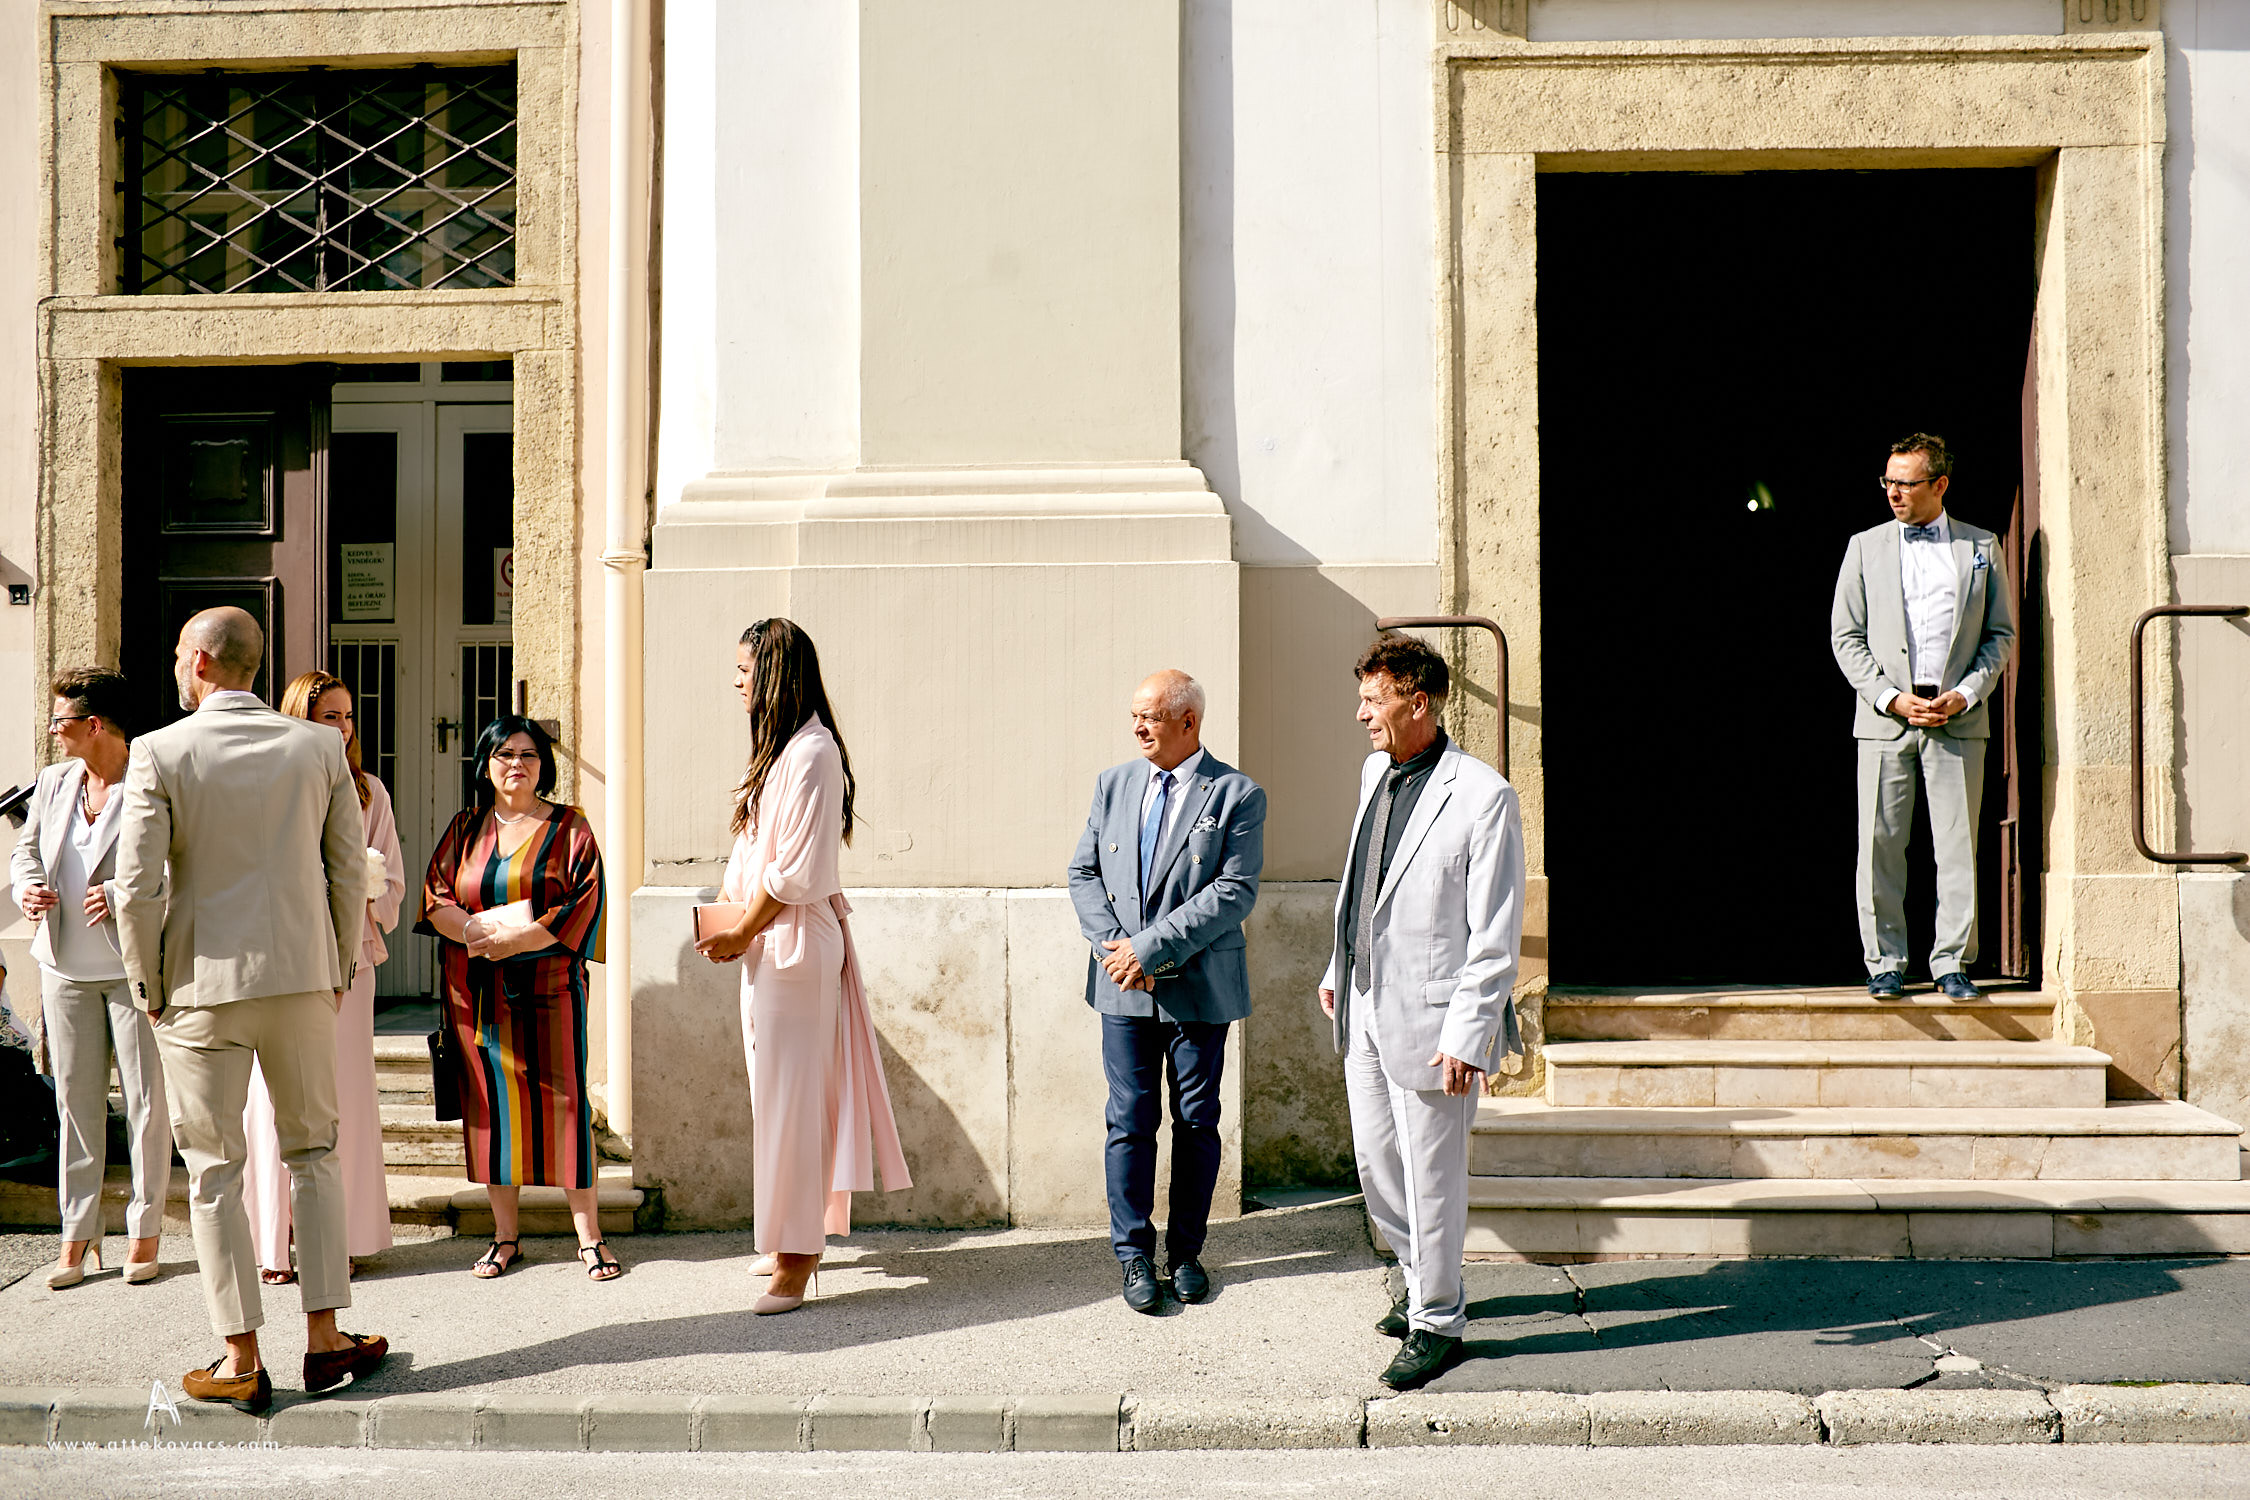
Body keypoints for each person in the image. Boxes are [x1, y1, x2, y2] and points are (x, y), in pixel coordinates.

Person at [113, 607, 389, 1414]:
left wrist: (147, 983)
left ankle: (241, 1355)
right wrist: (337, 964)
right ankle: (326, 1337)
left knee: (214, 1172)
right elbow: (348, 870)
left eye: (178, 654)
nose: (176, 665)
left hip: (199, 983)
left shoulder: (160, 750)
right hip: (300, 977)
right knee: (315, 1155)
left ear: (200, 662)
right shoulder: (318, 747)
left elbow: (136, 887)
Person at [1320, 633, 1523, 1392]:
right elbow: (1363, 884)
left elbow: (1495, 934)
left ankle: (1438, 1321)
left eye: (1374, 700)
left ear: (1420, 701)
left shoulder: (1483, 796)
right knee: (1378, 1165)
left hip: (1437, 1024)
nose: (1361, 714)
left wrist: (1470, 1032)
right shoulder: (1375, 772)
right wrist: (1338, 967)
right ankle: (1418, 1282)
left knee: (1432, 1178)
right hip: (1366, 1003)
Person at [695, 618, 910, 1315]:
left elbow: (793, 871)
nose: (736, 681)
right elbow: (751, 855)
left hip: (795, 942)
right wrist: (726, 918)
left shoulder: (814, 752)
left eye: (744, 669)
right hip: (767, 942)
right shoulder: (779, 752)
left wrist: (742, 928)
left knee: (793, 1101)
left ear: (775, 674)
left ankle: (799, 1255)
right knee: (776, 1099)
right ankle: (788, 1232)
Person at [1066, 669, 1265, 1315]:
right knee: (1129, 1119)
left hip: (1199, 985)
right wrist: (1119, 952)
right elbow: (1084, 872)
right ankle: (1132, 1256)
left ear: (1188, 721)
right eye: (1134, 716)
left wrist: (1150, 949)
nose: (1138, 727)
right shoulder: (1114, 784)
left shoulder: (1236, 793)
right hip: (1122, 984)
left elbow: (1234, 891)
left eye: (1149, 716)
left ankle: (1185, 1254)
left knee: (1197, 1119)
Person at [417, 715, 613, 1281]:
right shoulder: (464, 828)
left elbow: (585, 900)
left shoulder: (570, 827)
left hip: (549, 989)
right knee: (491, 1108)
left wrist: (516, 940)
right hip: (476, 995)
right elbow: (436, 896)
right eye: (504, 754)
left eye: (528, 754)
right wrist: (475, 933)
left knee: (565, 1104)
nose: (516, 765)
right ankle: (505, 1237)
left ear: (543, 765)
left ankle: (590, 1238)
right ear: (486, 765)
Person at [1830, 433, 2016, 1000]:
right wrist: (1888, 697)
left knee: (1956, 847)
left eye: (1906, 483)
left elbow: (2000, 634)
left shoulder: (1982, 546)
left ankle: (1952, 962)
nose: (1893, 493)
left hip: (1957, 719)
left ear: (1940, 484)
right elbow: (1846, 636)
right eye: (1887, 481)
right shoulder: (1864, 546)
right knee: (1880, 845)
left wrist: (1968, 693)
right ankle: (1884, 962)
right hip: (1885, 721)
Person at [11, 669, 171, 1289]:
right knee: (75, 1105)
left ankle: (144, 1230)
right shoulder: (54, 782)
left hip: (132, 969)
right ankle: (78, 1235)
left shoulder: (152, 779)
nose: (54, 731)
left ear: (94, 725)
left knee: (145, 1104)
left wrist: (123, 893)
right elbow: (26, 851)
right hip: (63, 967)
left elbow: (180, 866)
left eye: (61, 721)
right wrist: (27, 889)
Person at [240, 672, 403, 1283]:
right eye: (329, 716)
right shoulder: (266, 783)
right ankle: (274, 1240)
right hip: (279, 957)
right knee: (270, 1098)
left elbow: (390, 879)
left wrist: (361, 884)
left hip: (348, 958)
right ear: (299, 720)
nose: (343, 728)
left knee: (345, 1095)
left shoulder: (370, 792)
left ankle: (341, 1238)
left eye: (348, 716)